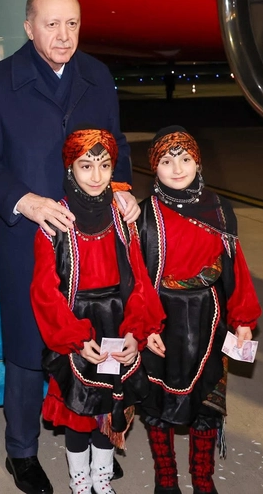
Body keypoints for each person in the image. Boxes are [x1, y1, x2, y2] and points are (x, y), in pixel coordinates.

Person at [0, 0, 140, 494]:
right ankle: (21, 451)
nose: (64, 35)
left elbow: (116, 145)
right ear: (28, 27)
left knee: (97, 337)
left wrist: (122, 190)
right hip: (30, 234)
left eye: (72, 24)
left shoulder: (97, 76)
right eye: (51, 24)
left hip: (95, 237)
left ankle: (95, 433)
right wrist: (24, 200)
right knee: (28, 347)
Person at [31, 128, 165, 494]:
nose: (96, 175)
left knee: (109, 408)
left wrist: (136, 330)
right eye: (85, 165)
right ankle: (80, 481)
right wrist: (74, 338)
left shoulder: (123, 218)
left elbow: (139, 279)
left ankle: (102, 478)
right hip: (77, 324)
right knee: (79, 412)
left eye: (104, 165)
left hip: (118, 323)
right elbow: (44, 291)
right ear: (69, 168)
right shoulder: (54, 223)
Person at [138, 127, 261, 494]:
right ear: (154, 167)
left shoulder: (220, 209)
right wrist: (146, 325)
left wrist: (243, 319)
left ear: (198, 162)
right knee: (158, 401)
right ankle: (166, 478)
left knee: (206, 402)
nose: (177, 169)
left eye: (186, 159)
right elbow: (138, 278)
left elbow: (236, 265)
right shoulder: (145, 215)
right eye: (166, 161)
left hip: (210, 316)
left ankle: (203, 479)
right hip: (162, 317)